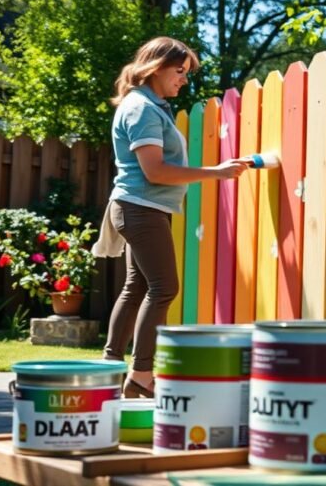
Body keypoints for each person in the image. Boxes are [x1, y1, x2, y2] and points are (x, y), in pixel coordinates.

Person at [94, 37, 247, 398]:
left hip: (144, 208)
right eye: (179, 72)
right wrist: (216, 172)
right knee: (165, 288)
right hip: (141, 207)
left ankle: (112, 366)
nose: (183, 80)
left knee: (138, 287)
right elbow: (156, 171)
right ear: (155, 67)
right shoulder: (142, 109)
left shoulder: (150, 106)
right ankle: (141, 376)